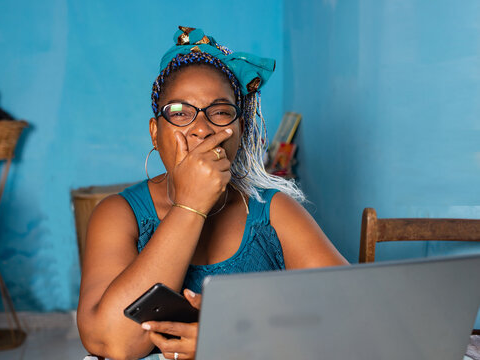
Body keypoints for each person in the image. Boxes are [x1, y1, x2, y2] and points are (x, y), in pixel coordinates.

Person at [77, 26, 348, 360]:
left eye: (220, 112)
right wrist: (191, 206)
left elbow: (351, 318)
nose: (202, 128)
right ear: (155, 133)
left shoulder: (274, 213)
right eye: (179, 112)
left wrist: (232, 336)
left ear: (240, 130)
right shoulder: (119, 214)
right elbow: (111, 342)